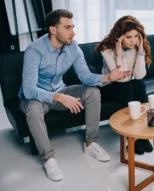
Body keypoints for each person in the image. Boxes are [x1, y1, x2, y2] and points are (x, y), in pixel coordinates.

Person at [18, 9, 131, 181]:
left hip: (60, 91)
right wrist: (59, 97)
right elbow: (29, 90)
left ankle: (91, 143)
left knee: (92, 92)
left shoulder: (73, 47)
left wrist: (108, 77)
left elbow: (85, 77)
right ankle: (49, 158)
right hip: (36, 98)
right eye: (68, 27)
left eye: (73, 27)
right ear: (53, 30)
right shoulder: (34, 51)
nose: (73, 32)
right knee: (33, 108)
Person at [94, 16, 153, 155]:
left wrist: (140, 51)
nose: (133, 41)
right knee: (128, 87)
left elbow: (139, 75)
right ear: (119, 37)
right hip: (109, 87)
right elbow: (121, 79)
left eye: (136, 36)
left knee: (139, 84)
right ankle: (132, 136)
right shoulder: (106, 50)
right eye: (128, 37)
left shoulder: (136, 47)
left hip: (127, 85)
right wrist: (119, 53)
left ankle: (142, 133)